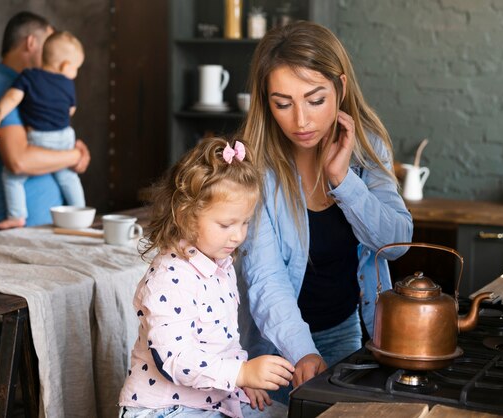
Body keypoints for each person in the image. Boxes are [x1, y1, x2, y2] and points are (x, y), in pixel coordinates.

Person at [237, 21, 414, 400]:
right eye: (282, 103)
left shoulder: (367, 150)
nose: (300, 121)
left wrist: (343, 181)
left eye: (315, 100)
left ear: (341, 88)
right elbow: (266, 276)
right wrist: (302, 350)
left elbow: (396, 243)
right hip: (275, 344)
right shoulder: (254, 166)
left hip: (346, 330)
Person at [118, 137, 294, 418]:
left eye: (245, 222)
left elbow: (222, 341)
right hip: (164, 410)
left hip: (213, 400)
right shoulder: (169, 278)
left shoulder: (221, 264)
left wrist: (241, 382)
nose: (238, 235)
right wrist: (240, 373)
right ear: (186, 216)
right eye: (226, 224)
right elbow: (176, 360)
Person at [0, 11, 90, 229]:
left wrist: (72, 152)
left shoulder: (39, 85)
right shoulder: (4, 89)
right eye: (49, 42)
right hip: (30, 226)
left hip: (48, 223)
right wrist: (73, 154)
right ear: (31, 43)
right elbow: (19, 161)